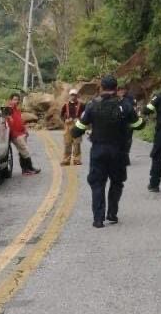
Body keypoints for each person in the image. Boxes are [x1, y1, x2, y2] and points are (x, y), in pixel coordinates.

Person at [72, 75, 145, 228]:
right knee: (117, 182)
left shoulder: (92, 105)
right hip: (119, 151)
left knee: (97, 183)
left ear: (101, 87)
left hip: (98, 150)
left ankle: (98, 219)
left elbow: (77, 130)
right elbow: (138, 125)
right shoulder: (125, 105)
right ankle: (112, 213)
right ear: (116, 88)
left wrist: (79, 130)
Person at [7, 93, 41, 175]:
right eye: (14, 99)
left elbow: (20, 121)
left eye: (17, 100)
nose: (16, 101)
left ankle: (26, 169)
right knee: (25, 151)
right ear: (10, 100)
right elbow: (8, 121)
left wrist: (25, 130)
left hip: (21, 133)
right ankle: (29, 168)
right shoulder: (8, 110)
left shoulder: (17, 110)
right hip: (15, 134)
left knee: (22, 152)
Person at [60, 89, 85, 166]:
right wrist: (65, 120)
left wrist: (81, 120)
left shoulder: (82, 105)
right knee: (67, 143)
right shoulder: (65, 105)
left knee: (77, 143)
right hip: (68, 125)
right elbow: (61, 115)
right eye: (71, 95)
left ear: (77, 95)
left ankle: (77, 160)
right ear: (69, 95)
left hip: (77, 125)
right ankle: (66, 160)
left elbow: (86, 114)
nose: (73, 96)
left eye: (74, 95)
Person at [117, 85, 138, 167]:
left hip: (128, 123)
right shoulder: (114, 99)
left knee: (128, 140)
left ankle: (126, 156)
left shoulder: (130, 98)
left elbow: (135, 109)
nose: (121, 91)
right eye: (120, 89)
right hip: (118, 123)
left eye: (123, 89)